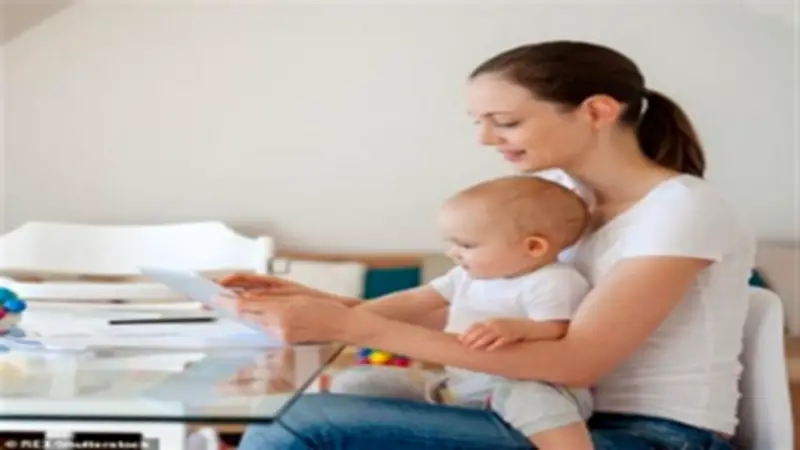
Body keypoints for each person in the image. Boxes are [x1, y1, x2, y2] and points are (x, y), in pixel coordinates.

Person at [220, 40, 755, 450]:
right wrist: (314, 305)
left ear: (597, 111)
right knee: (340, 393)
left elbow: (576, 362)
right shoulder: (560, 202)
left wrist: (352, 326)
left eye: (506, 122)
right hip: (535, 413)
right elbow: (459, 305)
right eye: (480, 123)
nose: (485, 139)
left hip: (650, 435)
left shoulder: (679, 209)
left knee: (298, 424)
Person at [330, 175, 596, 450]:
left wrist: (516, 328)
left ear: (533, 247)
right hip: (459, 387)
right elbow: (416, 298)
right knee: (357, 382)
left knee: (530, 397)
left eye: (466, 245)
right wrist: (347, 317)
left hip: (527, 386)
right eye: (452, 243)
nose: (452, 253)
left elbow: (558, 328)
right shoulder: (466, 276)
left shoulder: (554, 280)